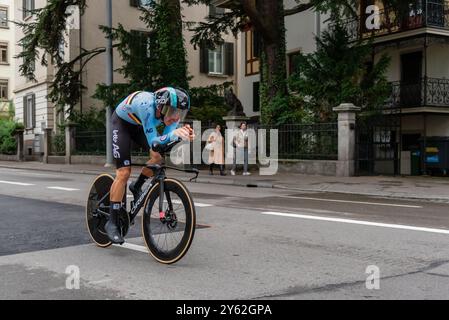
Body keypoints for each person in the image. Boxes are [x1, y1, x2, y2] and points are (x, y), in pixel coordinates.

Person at [106, 87, 194, 244]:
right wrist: (175, 134)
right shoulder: (146, 105)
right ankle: (112, 222)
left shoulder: (173, 115)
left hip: (138, 125)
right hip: (121, 125)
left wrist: (183, 136)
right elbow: (155, 142)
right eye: (172, 111)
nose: (176, 117)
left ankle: (137, 185)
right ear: (160, 107)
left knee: (158, 157)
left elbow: (164, 143)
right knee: (124, 172)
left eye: (180, 112)